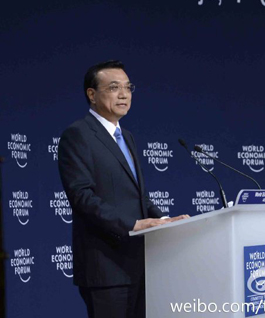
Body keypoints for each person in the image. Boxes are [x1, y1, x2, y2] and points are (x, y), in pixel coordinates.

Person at [58, 60, 188, 318]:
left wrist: (164, 220)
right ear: (92, 94)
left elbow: (137, 195)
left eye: (128, 88)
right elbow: (82, 197)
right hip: (105, 267)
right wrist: (133, 224)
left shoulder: (126, 137)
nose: (123, 94)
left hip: (140, 264)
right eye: (114, 87)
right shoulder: (78, 135)